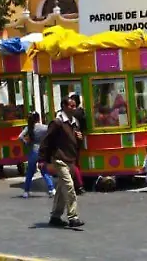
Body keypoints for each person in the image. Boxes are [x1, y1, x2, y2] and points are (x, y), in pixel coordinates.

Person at [39, 98, 84, 229]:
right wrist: (42, 159)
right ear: (64, 106)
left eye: (75, 106)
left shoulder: (75, 123)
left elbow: (76, 143)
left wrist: (80, 139)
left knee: (61, 188)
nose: (74, 108)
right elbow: (46, 141)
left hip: (70, 159)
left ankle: (55, 216)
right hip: (59, 159)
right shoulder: (57, 123)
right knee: (69, 186)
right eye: (71, 106)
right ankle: (73, 217)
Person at [19, 111, 53, 198]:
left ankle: (26, 191)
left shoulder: (29, 128)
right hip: (42, 151)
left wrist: (26, 142)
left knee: (30, 172)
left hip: (32, 151)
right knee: (44, 171)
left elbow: (20, 137)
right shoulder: (44, 128)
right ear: (39, 118)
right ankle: (51, 189)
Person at [66, 94, 86, 193]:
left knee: (73, 164)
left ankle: (78, 184)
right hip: (77, 141)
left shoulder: (74, 115)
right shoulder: (81, 112)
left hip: (72, 142)